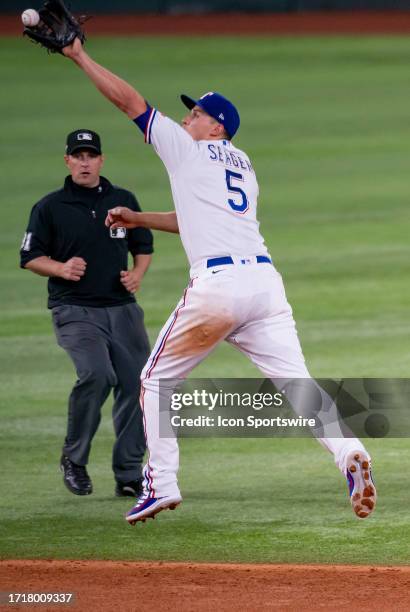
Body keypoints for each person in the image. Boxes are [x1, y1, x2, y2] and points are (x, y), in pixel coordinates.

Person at [60, 39, 376, 523]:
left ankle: (161, 485)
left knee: (154, 380)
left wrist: (78, 56)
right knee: (298, 384)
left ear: (216, 127)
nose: (187, 118)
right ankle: (350, 455)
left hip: (219, 287)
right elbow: (196, 218)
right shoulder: (244, 167)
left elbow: (129, 102)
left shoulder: (188, 149)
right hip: (265, 287)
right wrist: (138, 218)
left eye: (197, 113)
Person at [20, 129, 153, 498]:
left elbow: (143, 244)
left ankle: (128, 474)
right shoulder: (49, 207)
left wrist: (137, 274)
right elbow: (30, 257)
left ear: (100, 160)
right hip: (75, 310)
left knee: (138, 385)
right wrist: (61, 268)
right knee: (96, 375)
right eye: (77, 156)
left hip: (123, 310)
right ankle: (74, 459)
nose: (84, 161)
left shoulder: (122, 200)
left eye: (90, 155)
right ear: (67, 161)